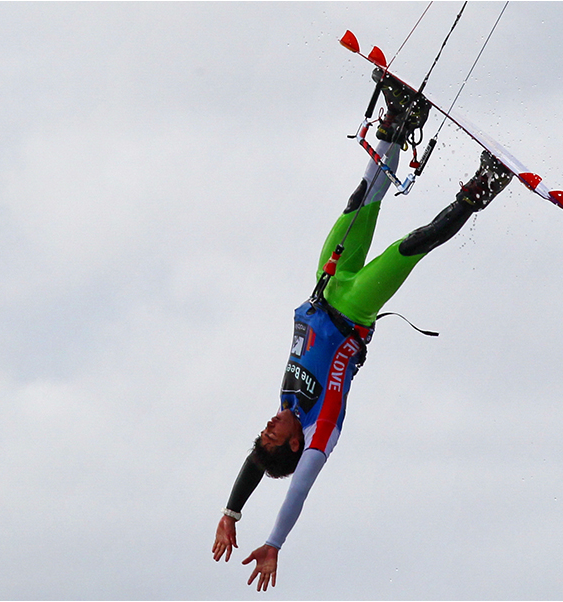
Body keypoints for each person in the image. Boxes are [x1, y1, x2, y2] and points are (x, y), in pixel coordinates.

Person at [212, 70, 514, 592]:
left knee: (360, 201)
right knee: (412, 245)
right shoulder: (318, 431)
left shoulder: (284, 409)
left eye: (262, 432)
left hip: (325, 281)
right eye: (270, 436)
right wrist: (275, 541)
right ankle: (485, 184)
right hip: (353, 307)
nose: (267, 426)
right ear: (290, 447)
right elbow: (297, 491)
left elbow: (254, 462)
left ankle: (398, 124)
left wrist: (232, 512)